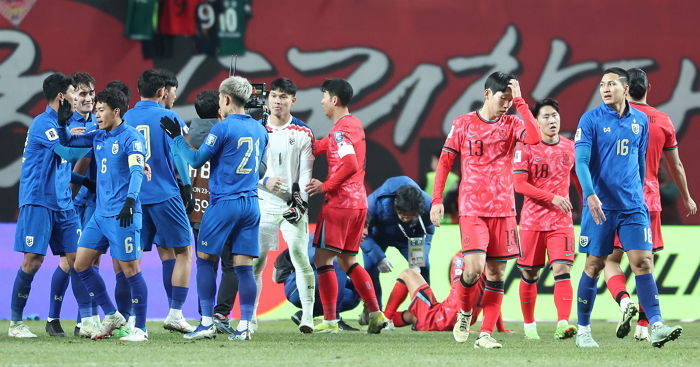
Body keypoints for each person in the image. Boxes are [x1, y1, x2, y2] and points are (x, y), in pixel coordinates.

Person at [430, 72, 541, 349]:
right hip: (472, 209)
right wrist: (436, 200)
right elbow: (444, 163)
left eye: (509, 99)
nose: (506, 104)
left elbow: (536, 139)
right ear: (487, 94)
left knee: (497, 274)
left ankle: (486, 334)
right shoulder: (463, 124)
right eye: (503, 98)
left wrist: (521, 102)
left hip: (504, 210)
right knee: (473, 270)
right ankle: (465, 313)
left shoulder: (513, 122)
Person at [573, 67, 682, 348]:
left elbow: (641, 161)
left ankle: (655, 325)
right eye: (601, 84)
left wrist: (640, 195)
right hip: (601, 207)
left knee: (643, 262)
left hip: (633, 206)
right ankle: (583, 330)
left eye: (611, 84)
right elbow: (581, 162)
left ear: (625, 89)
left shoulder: (641, 121)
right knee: (594, 265)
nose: (605, 89)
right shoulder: (590, 120)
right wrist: (591, 194)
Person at [161, 75, 268, 341]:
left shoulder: (222, 128)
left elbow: (196, 160)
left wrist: (177, 139)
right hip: (251, 204)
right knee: (244, 267)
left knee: (205, 261)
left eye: (220, 97)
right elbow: (259, 169)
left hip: (224, 203)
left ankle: (207, 322)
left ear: (227, 99)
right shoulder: (260, 130)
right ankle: (244, 325)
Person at [603, 68, 697, 342]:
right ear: (649, 88)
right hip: (648, 198)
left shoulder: (613, 117)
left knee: (611, 259)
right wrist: (687, 196)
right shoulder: (663, 120)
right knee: (646, 263)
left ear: (625, 89)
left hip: (616, 198)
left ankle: (623, 301)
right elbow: (676, 165)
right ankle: (644, 325)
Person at [56, 87, 149, 342]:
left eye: (101, 110)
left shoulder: (131, 138)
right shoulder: (98, 136)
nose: (96, 115)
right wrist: (63, 122)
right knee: (81, 264)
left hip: (123, 214)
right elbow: (69, 143)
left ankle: (140, 328)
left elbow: (137, 171)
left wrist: (130, 201)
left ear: (115, 111)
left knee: (131, 270)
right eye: (96, 110)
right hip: (100, 214)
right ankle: (112, 316)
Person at [9, 73, 93, 338]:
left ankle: (87, 322)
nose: (77, 98)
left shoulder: (61, 124)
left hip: (63, 203)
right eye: (73, 93)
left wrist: (108, 132)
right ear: (61, 97)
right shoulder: (42, 123)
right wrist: (94, 137)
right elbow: (67, 152)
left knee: (77, 261)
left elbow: (76, 144)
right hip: (38, 199)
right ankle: (15, 323)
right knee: (33, 261)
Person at [305, 78, 388, 334]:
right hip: (358, 204)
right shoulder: (350, 125)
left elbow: (350, 163)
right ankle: (375, 314)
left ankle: (330, 321)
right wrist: (297, 133)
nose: (321, 101)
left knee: (322, 259)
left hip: (339, 204)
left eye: (324, 96)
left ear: (334, 100)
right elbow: (320, 146)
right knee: (348, 260)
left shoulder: (341, 130)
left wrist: (326, 186)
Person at [123, 69, 194, 334]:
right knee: (183, 252)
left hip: (135, 196)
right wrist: (186, 185)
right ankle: (175, 312)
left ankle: (130, 316)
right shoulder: (169, 116)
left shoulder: (126, 117)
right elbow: (178, 154)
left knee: (133, 257)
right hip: (165, 194)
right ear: (163, 92)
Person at [254, 78, 316, 333]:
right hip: (262, 205)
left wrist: (299, 203)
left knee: (301, 258)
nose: (278, 101)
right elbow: (244, 168)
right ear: (268, 98)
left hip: (293, 207)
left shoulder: (303, 132)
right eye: (274, 96)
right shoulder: (255, 128)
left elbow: (306, 174)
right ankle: (251, 316)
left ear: (293, 100)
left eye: (284, 97)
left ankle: (308, 318)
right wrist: (265, 181)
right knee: (256, 263)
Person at [512, 98, 577, 340]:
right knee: (530, 274)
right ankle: (529, 327)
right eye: (546, 117)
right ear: (536, 122)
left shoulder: (570, 147)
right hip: (532, 223)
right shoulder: (525, 148)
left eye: (555, 116)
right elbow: (519, 185)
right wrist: (551, 197)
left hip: (561, 221)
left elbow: (578, 179)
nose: (552, 120)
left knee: (562, 268)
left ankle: (563, 324)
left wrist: (590, 200)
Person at [45, 71, 100, 337]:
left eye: (91, 93)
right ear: (70, 98)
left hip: (97, 201)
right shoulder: (65, 126)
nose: (88, 98)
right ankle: (53, 318)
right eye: (81, 94)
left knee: (92, 262)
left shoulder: (100, 121)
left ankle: (83, 322)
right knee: (71, 262)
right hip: (74, 202)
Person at [187, 90, 240, 334]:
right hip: (224, 207)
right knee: (230, 264)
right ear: (220, 109)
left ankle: (205, 315)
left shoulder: (187, 135)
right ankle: (221, 314)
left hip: (197, 210)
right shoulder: (227, 132)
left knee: (205, 264)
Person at [361, 176, 434, 310]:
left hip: (408, 237)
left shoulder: (428, 205)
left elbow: (427, 232)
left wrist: (417, 260)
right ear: (395, 206)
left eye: (410, 216)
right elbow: (360, 233)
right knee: (370, 268)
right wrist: (378, 257)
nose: (406, 219)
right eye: (403, 216)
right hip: (377, 236)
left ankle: (426, 310)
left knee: (423, 268)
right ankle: (372, 310)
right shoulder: (373, 203)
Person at [275, 236, 360, 332]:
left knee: (353, 297)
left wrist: (361, 289)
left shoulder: (342, 239)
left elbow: (336, 279)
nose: (366, 233)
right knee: (336, 264)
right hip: (296, 286)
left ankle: (304, 315)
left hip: (314, 284)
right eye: (364, 227)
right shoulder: (323, 235)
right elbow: (313, 258)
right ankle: (334, 319)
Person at [381, 252, 464, 331]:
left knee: (407, 274)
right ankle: (376, 317)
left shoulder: (463, 258)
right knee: (413, 315)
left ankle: (385, 320)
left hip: (437, 319)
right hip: (453, 321)